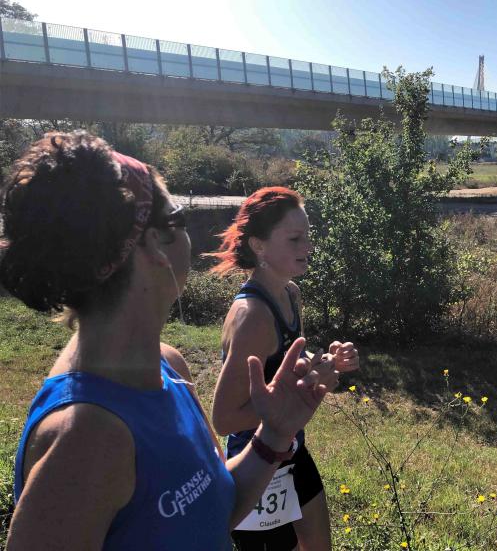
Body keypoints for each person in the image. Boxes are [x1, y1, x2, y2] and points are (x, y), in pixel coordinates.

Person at [2, 132, 340, 550]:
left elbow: (212, 511)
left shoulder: (169, 366)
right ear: (153, 246)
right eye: (178, 216)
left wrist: (273, 435)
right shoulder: (86, 438)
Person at [209, 187, 359, 551]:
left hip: (292, 446)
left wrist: (327, 363)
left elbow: (288, 369)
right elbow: (224, 419)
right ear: (259, 246)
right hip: (257, 462)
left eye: (308, 236)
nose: (308, 246)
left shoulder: (290, 293)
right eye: (294, 238)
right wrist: (282, 412)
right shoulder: (253, 317)